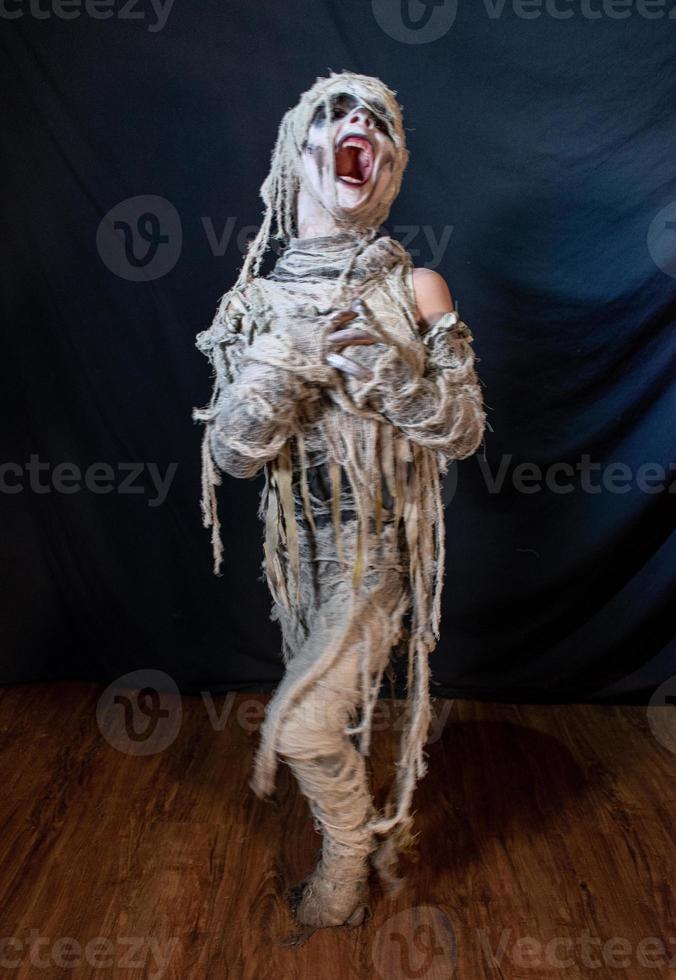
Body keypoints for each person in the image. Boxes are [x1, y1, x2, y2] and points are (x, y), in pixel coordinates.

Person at [192, 70, 487, 934]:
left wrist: (391, 377)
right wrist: (286, 362)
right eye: (337, 112)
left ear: (388, 166)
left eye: (380, 121)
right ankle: (353, 848)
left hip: (378, 549)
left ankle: (349, 865)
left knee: (302, 726)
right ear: (301, 148)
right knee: (319, 715)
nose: (361, 122)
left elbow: (464, 429)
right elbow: (232, 458)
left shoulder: (416, 287)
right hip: (300, 553)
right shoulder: (255, 302)